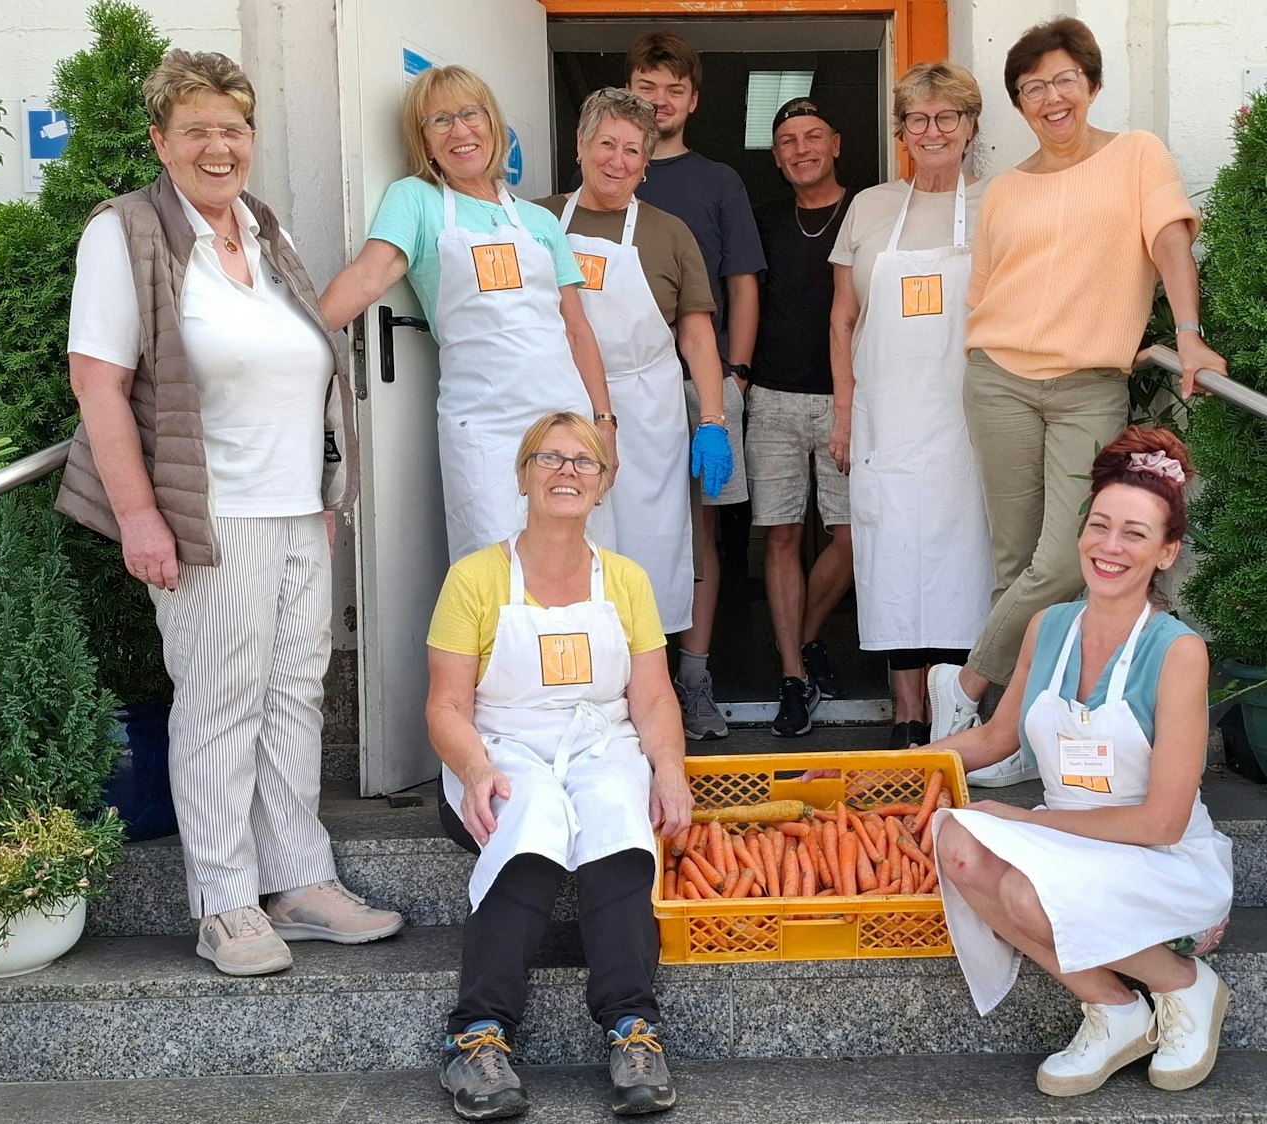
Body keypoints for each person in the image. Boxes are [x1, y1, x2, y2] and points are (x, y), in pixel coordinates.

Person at [58, 49, 403, 977]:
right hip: (208, 515)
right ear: (161, 141)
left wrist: (322, 496)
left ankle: (299, 879)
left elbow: (305, 363)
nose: (220, 147)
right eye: (199, 130)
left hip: (295, 509)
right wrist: (138, 517)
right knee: (219, 702)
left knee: (295, 693)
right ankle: (224, 900)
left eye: (235, 129)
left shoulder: (261, 227)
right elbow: (98, 379)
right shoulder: (126, 232)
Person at [926, 18, 1228, 787]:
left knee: (1064, 559)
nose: (1051, 97)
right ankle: (1022, 734)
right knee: (1014, 559)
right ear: (1020, 105)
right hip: (997, 378)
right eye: (1032, 87)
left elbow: (1168, 241)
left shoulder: (1135, 156)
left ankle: (963, 688)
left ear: (1090, 84)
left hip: (1088, 384)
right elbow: (989, 289)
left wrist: (1188, 333)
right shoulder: (1005, 190)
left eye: (1063, 80)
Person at [930, 427, 1234, 1097]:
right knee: (956, 841)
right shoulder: (1050, 627)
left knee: (1021, 889)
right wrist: (879, 764)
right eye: (1100, 526)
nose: (1110, 546)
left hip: (1161, 861)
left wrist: (1025, 824)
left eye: (1134, 533)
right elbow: (993, 738)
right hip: (1070, 845)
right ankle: (1115, 1010)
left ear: (1166, 552)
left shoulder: (1178, 651)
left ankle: (1184, 983)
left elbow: (1160, 823)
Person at [425, 412, 692, 1120]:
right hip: (499, 746)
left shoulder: (626, 580)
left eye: (584, 462)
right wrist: (477, 769)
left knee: (615, 816)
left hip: (599, 742)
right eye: (549, 458)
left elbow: (654, 695)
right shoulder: (475, 578)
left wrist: (668, 768)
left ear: (603, 485)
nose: (566, 471)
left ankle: (634, 1029)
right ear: (522, 476)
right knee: (532, 812)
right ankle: (477, 1036)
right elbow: (445, 707)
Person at [319, 65, 616, 562]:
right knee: (491, 567)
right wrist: (289, 338)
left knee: (572, 565)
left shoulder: (540, 221)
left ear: (492, 124)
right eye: (440, 120)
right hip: (484, 427)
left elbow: (577, 330)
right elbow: (367, 277)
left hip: (565, 419)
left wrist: (604, 423)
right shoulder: (416, 200)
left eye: (469, 114)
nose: (459, 131)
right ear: (424, 140)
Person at [828, 62, 993, 749]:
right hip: (885, 415)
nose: (932, 131)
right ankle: (906, 715)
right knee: (892, 554)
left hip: (966, 416)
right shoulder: (869, 207)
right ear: (901, 131)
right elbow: (842, 320)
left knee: (964, 560)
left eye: (946, 117)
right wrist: (843, 412)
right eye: (918, 119)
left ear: (969, 127)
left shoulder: (997, 204)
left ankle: (956, 713)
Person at [539, 88, 735, 637]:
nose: (616, 161)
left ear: (646, 165)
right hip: (561, 401)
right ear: (580, 145)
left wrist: (713, 421)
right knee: (565, 539)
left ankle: (656, 676)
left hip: (649, 410)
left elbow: (697, 334)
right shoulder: (538, 220)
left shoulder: (669, 234)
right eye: (606, 144)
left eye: (632, 151)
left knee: (652, 544)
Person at [626, 31, 766, 740]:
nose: (659, 102)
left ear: (694, 101)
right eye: (646, 88)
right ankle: (622, 686)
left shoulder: (717, 181)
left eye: (672, 90)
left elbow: (740, 284)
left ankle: (694, 680)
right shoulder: (605, 176)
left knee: (701, 530)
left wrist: (734, 377)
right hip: (617, 391)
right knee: (618, 531)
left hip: (701, 383)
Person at [750, 97, 855, 739]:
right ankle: (794, 674)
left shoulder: (869, 212)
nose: (801, 150)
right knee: (782, 535)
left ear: (837, 143)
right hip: (773, 397)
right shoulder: (764, 222)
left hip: (850, 399)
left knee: (853, 537)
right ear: (777, 155)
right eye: (787, 141)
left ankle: (806, 638)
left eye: (813, 136)